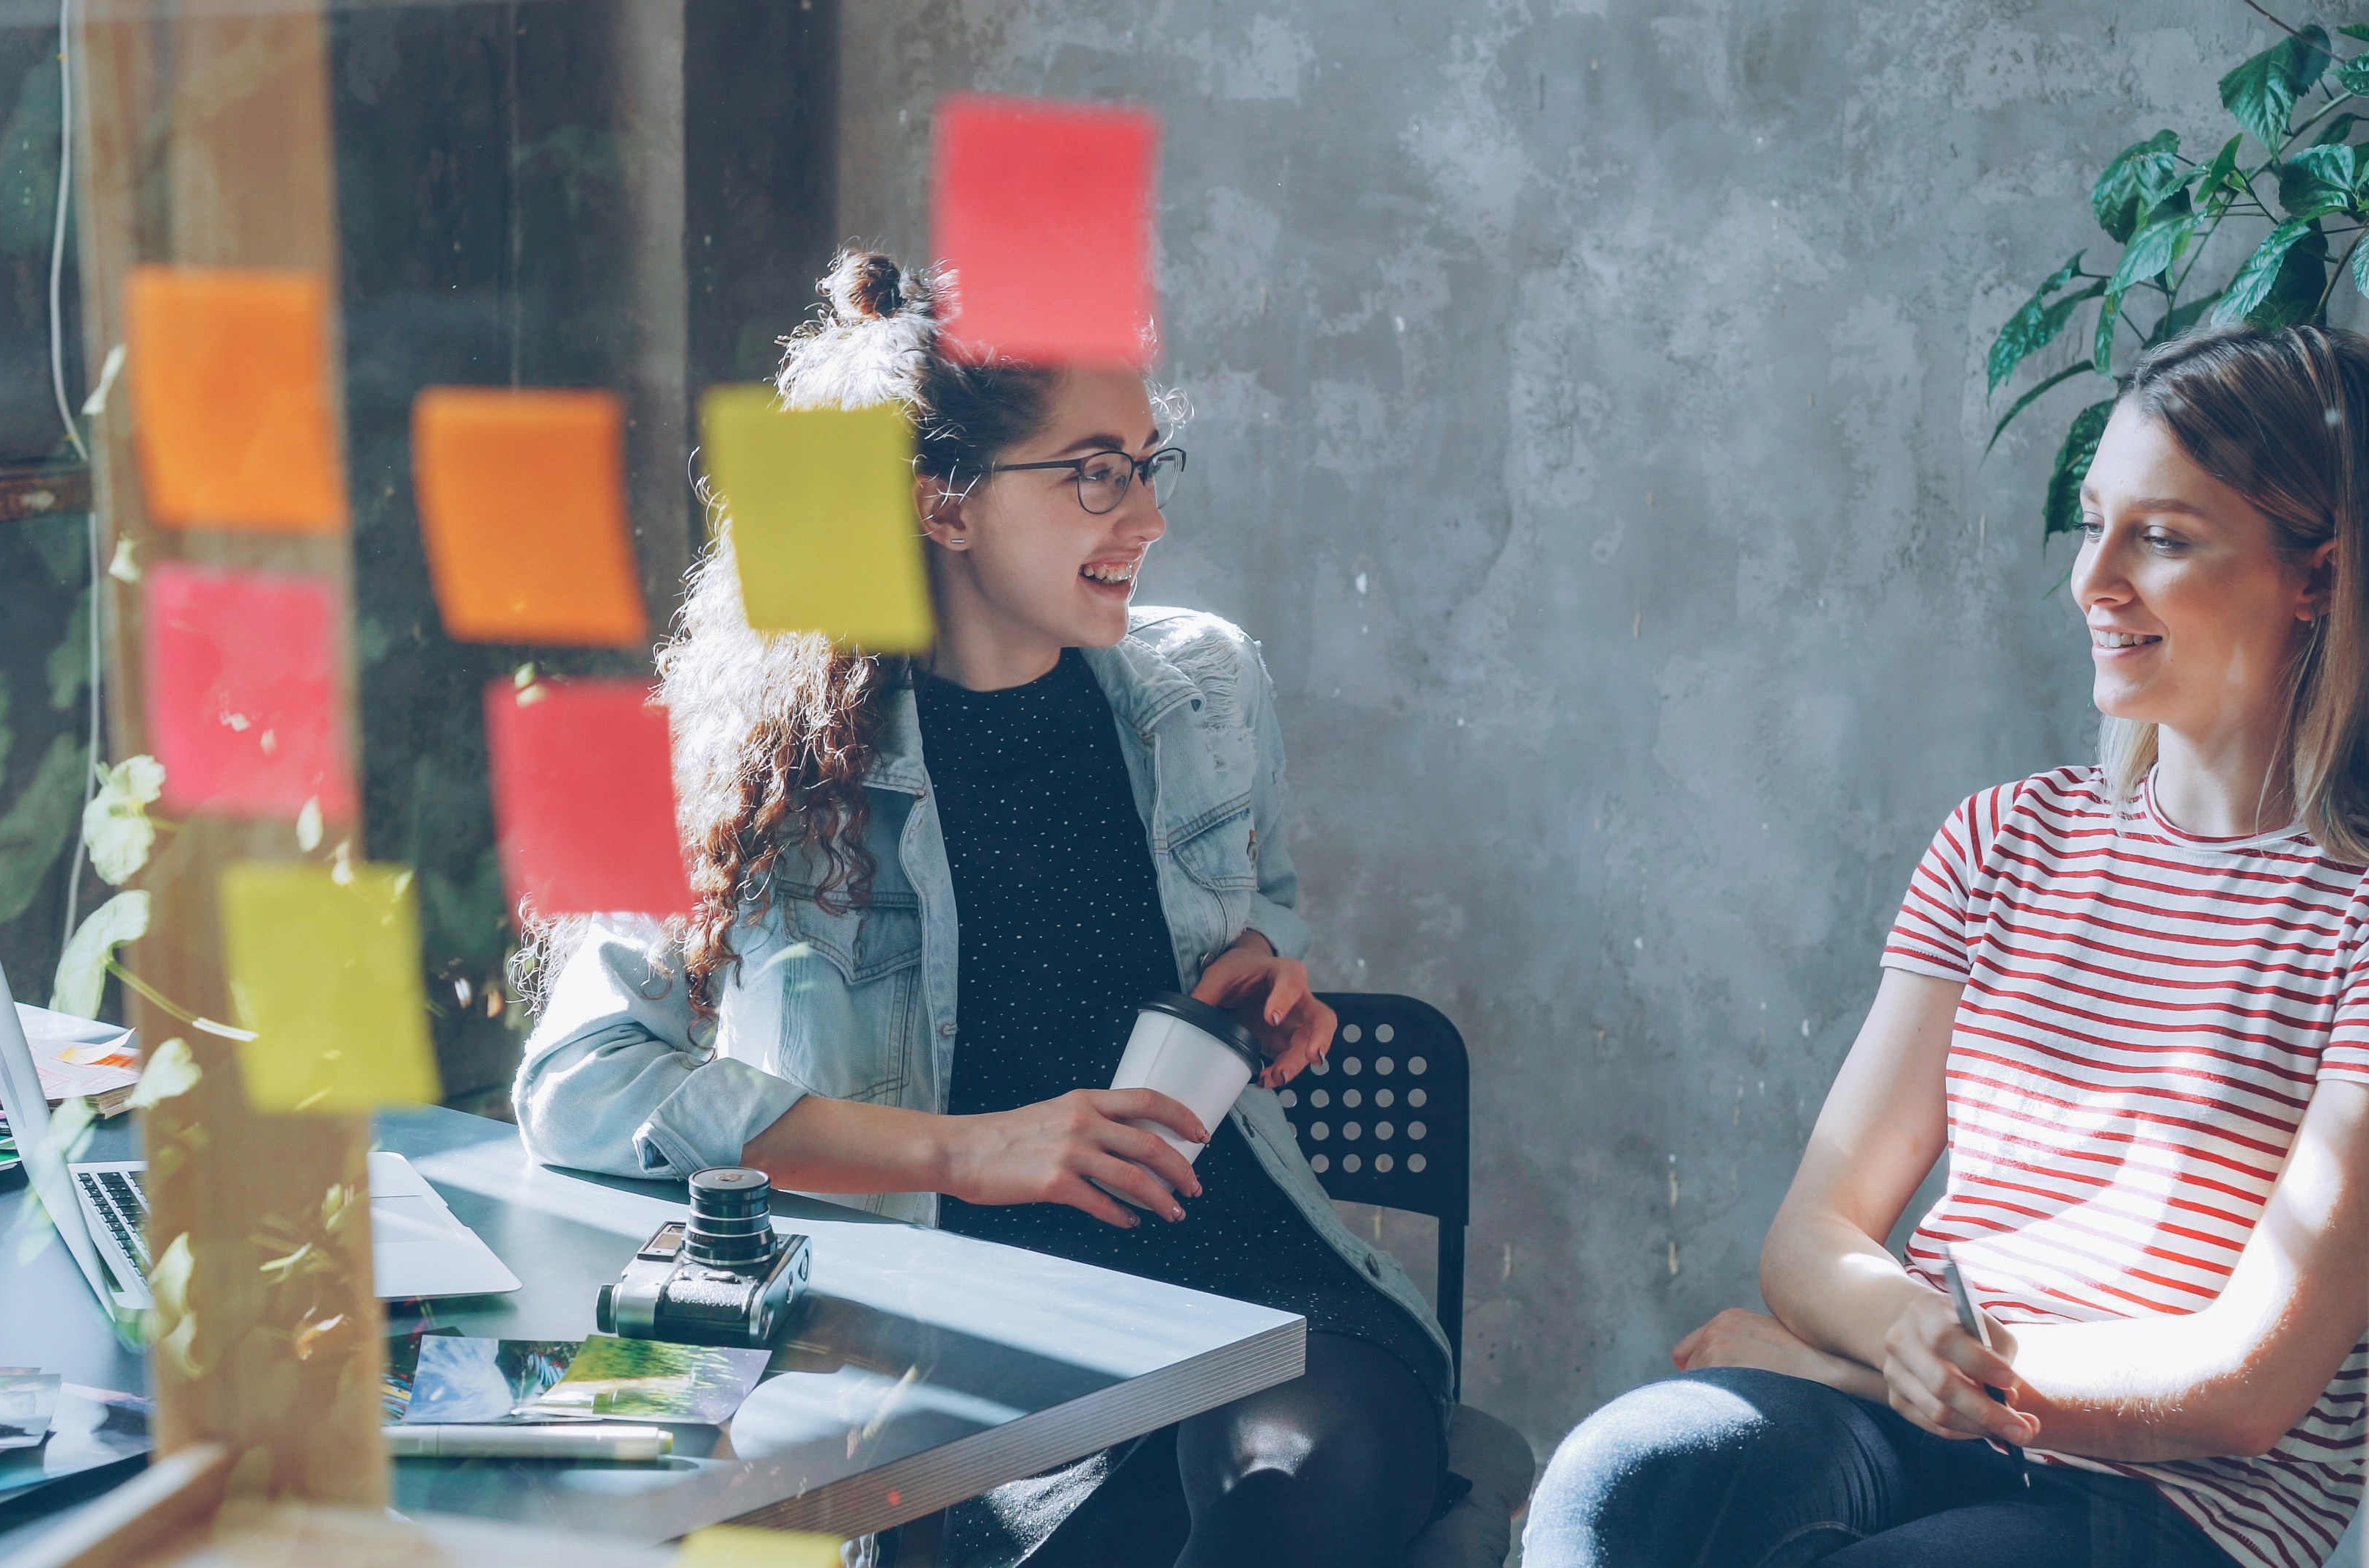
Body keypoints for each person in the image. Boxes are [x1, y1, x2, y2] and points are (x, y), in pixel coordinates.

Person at [514, 252, 1461, 1567]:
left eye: (1147, 463)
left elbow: (1269, 916)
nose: (1145, 516)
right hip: (949, 1342)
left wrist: (1261, 974)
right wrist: (967, 1148)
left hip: (1251, 1293)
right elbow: (581, 1080)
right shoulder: (745, 759)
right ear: (941, 506)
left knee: (1293, 1487)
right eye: (1093, 472)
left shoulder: (1210, 690)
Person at [1526, 322, 2369, 1568]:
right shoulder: (2005, 838)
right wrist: (1887, 1343)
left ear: (2318, 576)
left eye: (2165, 537)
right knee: (1624, 1480)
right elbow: (1814, 1232)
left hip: (2168, 1511)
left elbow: (2242, 1384)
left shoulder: (2351, 916)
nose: (2094, 581)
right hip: (1921, 1424)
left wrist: (1843, 1363)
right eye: (2095, 523)